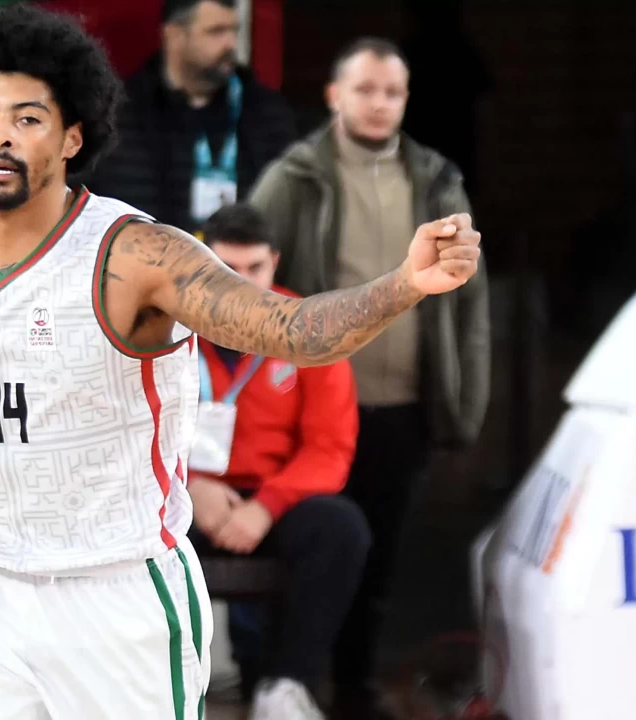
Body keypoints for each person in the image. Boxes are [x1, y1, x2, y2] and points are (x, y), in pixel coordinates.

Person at [0, 6, 482, 719]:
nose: (0, 136)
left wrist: (403, 284)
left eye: (27, 119)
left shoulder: (136, 255)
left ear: (71, 137)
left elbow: (291, 329)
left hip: (118, 599)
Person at [248, 37, 491, 718]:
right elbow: (245, 285)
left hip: (400, 404)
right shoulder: (294, 177)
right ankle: (285, 684)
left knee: (378, 557)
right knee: (309, 548)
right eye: (364, 90)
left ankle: (352, 690)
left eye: (392, 92)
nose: (379, 103)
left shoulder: (436, 179)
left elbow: (469, 304)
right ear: (334, 96)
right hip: (310, 407)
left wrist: (463, 402)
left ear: (406, 100)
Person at [185, 204, 369, 719]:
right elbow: (131, 429)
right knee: (127, 526)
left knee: (341, 528)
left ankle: (287, 686)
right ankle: (150, 688)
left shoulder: (309, 329)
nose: (241, 283)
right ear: (201, 262)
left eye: (255, 268)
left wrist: (265, 506)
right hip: (183, 496)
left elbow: (329, 447)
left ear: (275, 263)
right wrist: (187, 484)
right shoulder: (163, 328)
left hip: (276, 497)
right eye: (226, 268)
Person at [91, 0, 295, 231]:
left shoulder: (264, 112)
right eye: (216, 31)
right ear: (174, 35)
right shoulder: (122, 113)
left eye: (234, 31)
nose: (230, 44)